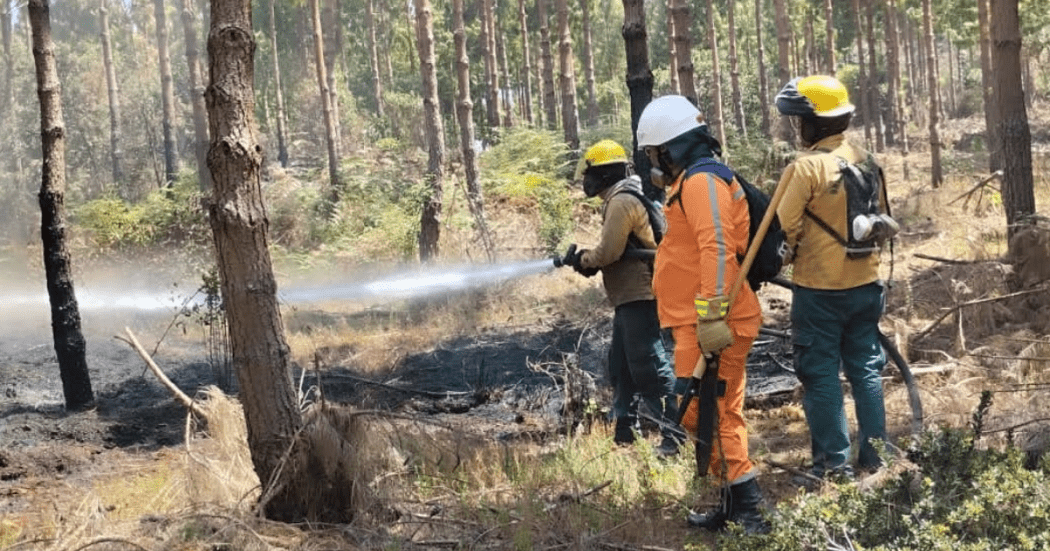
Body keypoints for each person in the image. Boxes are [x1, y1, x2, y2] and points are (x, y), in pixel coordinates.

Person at [636, 95, 770, 535]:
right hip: (698, 321)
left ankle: (751, 511)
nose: (654, 164)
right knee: (710, 412)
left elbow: (717, 247)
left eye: (654, 154)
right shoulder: (693, 181)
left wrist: (712, 315)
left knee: (708, 412)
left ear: (671, 149)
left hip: (715, 322)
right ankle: (731, 502)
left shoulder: (701, 182)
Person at [773, 74, 890, 481]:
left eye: (799, 120)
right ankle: (876, 459)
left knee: (820, 373)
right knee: (866, 369)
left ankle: (833, 467)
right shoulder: (866, 160)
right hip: (867, 286)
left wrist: (776, 261)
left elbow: (782, 231)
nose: (796, 128)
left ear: (813, 123)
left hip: (820, 291)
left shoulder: (805, 168)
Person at [566, 139, 683, 457]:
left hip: (640, 294)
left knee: (650, 367)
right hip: (629, 296)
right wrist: (587, 260)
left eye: (590, 173)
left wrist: (584, 260)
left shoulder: (621, 201)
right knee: (620, 366)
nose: (587, 181)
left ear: (605, 174)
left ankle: (675, 435)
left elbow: (609, 252)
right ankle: (625, 432)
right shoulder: (624, 197)